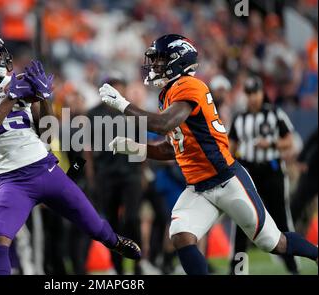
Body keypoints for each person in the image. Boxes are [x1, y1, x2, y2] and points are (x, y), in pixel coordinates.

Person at [101, 34, 318, 275]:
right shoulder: (170, 93)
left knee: (274, 243)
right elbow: (172, 147)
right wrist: (136, 148)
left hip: (226, 180)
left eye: (160, 60)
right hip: (198, 188)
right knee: (181, 235)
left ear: (177, 61)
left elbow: (163, 124)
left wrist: (122, 105)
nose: (154, 66)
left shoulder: (188, 86)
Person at [0, 32, 141, 275]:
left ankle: (114, 241)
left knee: (95, 229)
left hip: (47, 170)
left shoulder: (13, 83)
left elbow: (48, 133)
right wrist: (10, 98)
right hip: (13, 180)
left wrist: (44, 98)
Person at [228, 75, 299, 274]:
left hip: (272, 171)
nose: (252, 98)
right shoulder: (239, 118)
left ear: (262, 93)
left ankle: (293, 268)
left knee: (282, 220)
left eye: (255, 93)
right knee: (242, 222)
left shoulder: (275, 113)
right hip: (248, 172)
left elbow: (289, 141)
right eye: (249, 93)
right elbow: (230, 147)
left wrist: (272, 144)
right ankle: (237, 270)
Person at [85, 74, 143, 274]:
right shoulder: (92, 114)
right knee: (110, 222)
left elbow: (142, 145)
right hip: (106, 175)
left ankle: (138, 263)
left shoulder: (132, 112)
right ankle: (117, 267)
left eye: (119, 88)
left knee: (133, 218)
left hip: (131, 175)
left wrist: (143, 174)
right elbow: (87, 147)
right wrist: (91, 175)